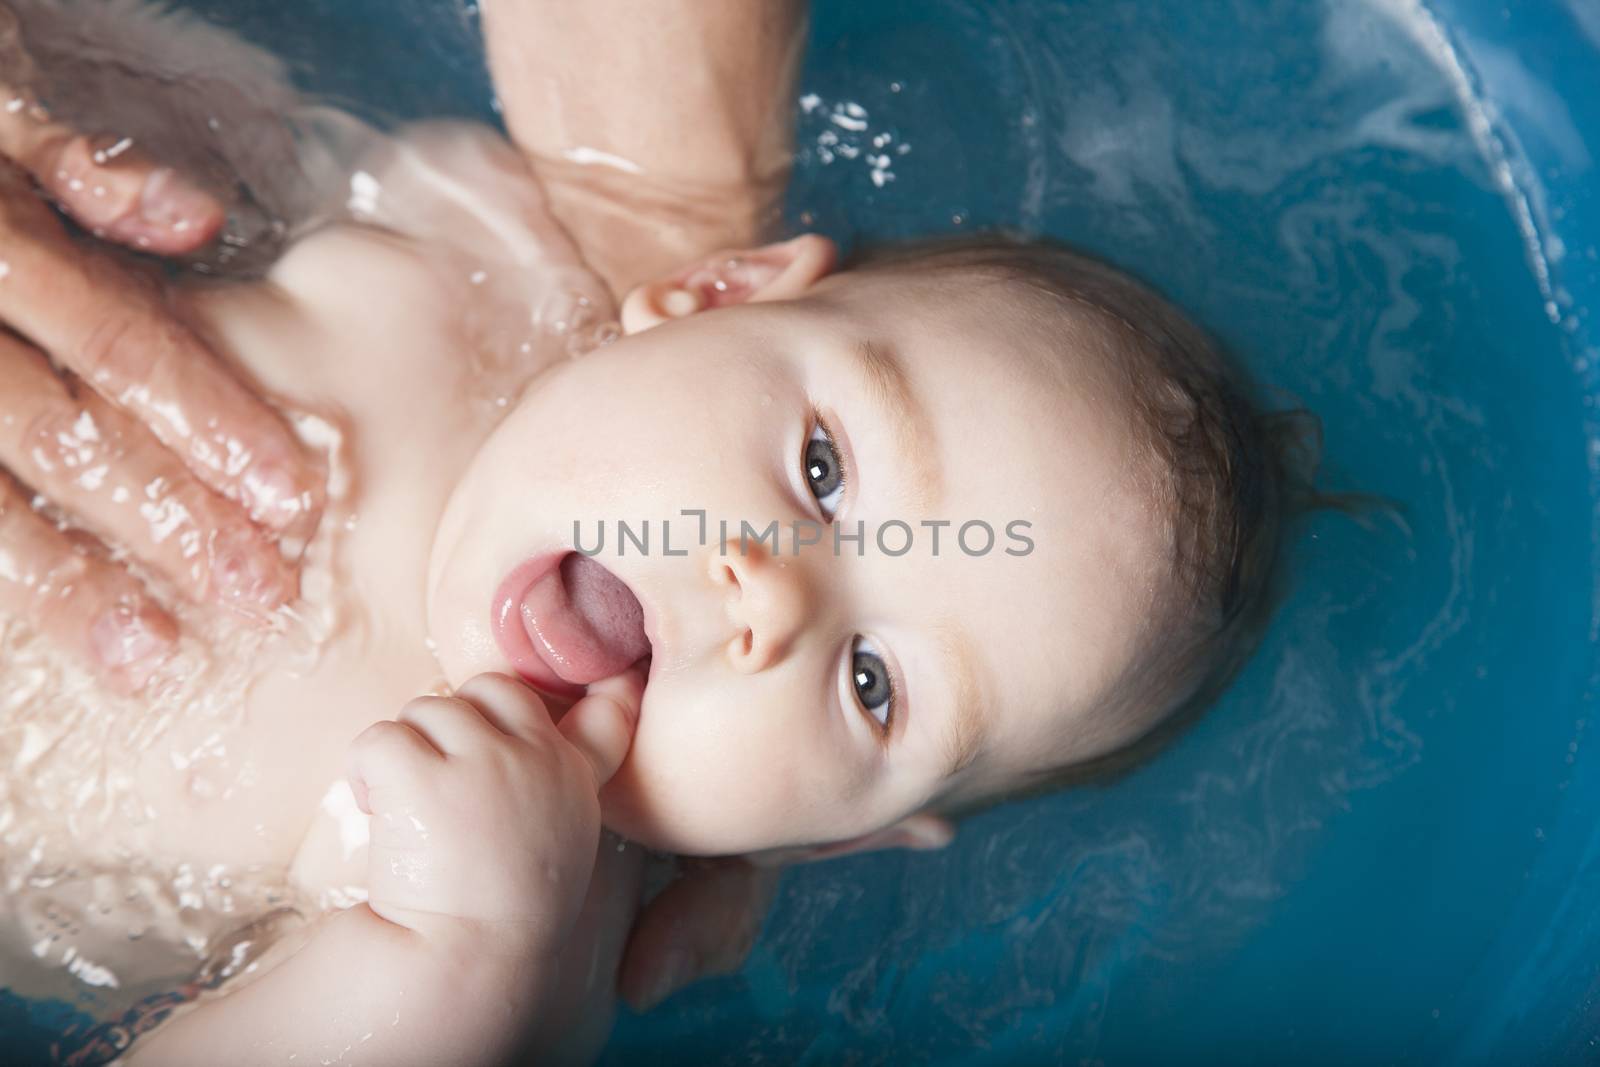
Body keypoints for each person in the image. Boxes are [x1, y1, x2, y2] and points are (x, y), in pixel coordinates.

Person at [0, 0, 1317, 1063]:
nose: (769, 598)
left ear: (820, 840)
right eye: (821, 466)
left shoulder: (516, 926)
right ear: (716, 292)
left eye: (872, 686)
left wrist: (448, 960)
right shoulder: (488, 257)